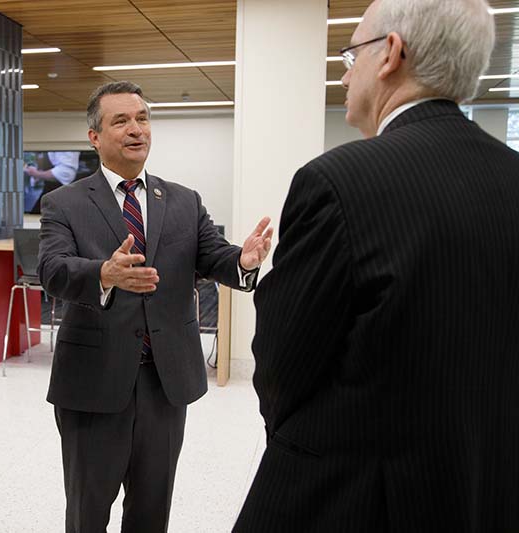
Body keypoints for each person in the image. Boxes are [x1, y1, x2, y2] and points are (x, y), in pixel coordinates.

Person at [234, 1, 519, 531]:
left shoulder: (339, 182)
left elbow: (281, 364)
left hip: (356, 499)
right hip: (487, 490)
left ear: (390, 54)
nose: (345, 75)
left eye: (350, 54)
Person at [38, 80, 273, 532]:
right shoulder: (63, 202)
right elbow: (52, 269)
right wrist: (104, 273)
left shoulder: (184, 200)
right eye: (120, 120)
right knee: (87, 512)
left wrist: (242, 261)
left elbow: (213, 257)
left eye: (142, 118)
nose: (135, 129)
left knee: (152, 511)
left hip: (165, 382)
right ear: (94, 136)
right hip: (94, 383)